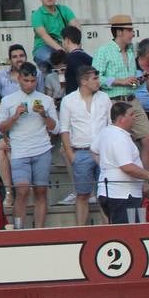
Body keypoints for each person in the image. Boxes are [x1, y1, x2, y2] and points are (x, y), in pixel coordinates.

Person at [92, 15, 149, 170]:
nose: (133, 33)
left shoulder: (131, 50)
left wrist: (140, 79)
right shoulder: (103, 50)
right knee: (118, 143)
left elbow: (131, 83)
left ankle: (144, 180)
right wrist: (120, 81)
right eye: (129, 30)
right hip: (113, 102)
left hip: (132, 100)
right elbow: (96, 78)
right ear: (119, 32)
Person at [0, 62, 56, 231]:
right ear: (19, 79)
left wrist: (44, 114)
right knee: (22, 191)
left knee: (41, 192)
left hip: (42, 149)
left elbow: (55, 128)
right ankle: (18, 231)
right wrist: (15, 116)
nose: (30, 84)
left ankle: (39, 231)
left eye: (33, 81)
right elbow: (0, 128)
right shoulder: (8, 100)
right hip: (20, 151)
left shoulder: (46, 100)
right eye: (26, 80)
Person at [92, 101, 149, 224]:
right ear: (121, 119)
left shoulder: (106, 132)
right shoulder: (119, 137)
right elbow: (127, 167)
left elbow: (94, 150)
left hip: (112, 193)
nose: (135, 117)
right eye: (131, 114)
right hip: (122, 195)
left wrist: (108, 166)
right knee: (126, 231)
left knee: (123, 229)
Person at [58, 65, 112, 227]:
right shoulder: (68, 100)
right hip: (80, 152)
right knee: (82, 195)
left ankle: (109, 230)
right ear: (84, 81)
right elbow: (64, 129)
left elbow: (111, 124)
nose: (98, 81)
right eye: (95, 78)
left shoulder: (104, 98)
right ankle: (81, 232)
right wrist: (71, 155)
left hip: (102, 153)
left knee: (105, 195)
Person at [30, 0, 80, 70]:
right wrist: (62, 51)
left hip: (63, 45)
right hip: (43, 47)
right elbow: (45, 37)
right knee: (57, 60)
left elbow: (76, 28)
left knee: (80, 59)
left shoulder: (65, 10)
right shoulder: (36, 15)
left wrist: (75, 46)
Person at [61, 26, 94, 98]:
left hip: (76, 99)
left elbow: (83, 76)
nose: (62, 43)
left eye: (62, 40)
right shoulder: (89, 57)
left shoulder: (71, 58)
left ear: (67, 40)